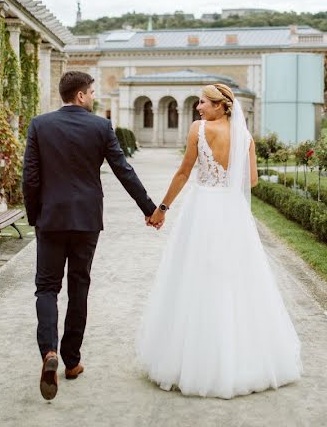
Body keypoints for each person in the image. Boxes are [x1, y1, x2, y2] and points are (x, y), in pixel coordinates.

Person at [137, 83, 302, 399]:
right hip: (232, 211)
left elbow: (184, 173)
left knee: (195, 278)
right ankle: (241, 360)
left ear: (219, 105)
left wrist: (162, 208)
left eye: (202, 102)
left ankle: (196, 359)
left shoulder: (199, 130)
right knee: (236, 280)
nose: (198, 108)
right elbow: (250, 180)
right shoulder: (245, 136)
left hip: (203, 209)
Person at [23, 71, 161, 400]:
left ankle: (49, 353)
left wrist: (35, 216)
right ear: (82, 96)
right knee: (79, 286)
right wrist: (149, 208)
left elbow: (30, 176)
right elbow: (123, 170)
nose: (94, 97)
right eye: (92, 92)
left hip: (51, 219)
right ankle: (72, 362)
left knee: (46, 287)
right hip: (86, 220)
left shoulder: (39, 125)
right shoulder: (100, 127)